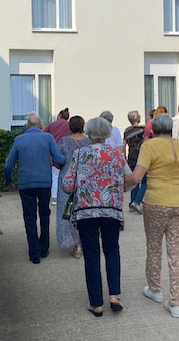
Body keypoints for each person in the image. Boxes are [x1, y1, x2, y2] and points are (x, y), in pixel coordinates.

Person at [62, 117, 135, 316]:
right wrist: (118, 189)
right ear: (107, 134)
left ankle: (96, 304)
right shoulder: (116, 154)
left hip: (86, 212)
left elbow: (67, 185)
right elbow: (130, 178)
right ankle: (114, 296)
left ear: (88, 133)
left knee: (91, 255)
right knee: (112, 250)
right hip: (111, 210)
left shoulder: (80, 154)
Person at [132, 113, 179, 319]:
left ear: (152, 130)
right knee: (177, 253)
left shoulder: (148, 146)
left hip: (156, 202)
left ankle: (155, 289)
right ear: (171, 129)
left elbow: (137, 176)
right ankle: (175, 302)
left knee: (154, 246)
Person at [5, 113, 65, 264]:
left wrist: (9, 182)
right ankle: (44, 248)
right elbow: (59, 159)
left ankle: (34, 253)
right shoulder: (48, 138)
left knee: (29, 217)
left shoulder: (19, 140)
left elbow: (8, 165)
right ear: (41, 126)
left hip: (26, 184)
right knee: (44, 214)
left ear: (27, 125)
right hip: (44, 183)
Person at [56, 115, 91, 259]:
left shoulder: (64, 141)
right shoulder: (89, 141)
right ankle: (83, 242)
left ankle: (75, 244)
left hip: (67, 180)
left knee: (67, 211)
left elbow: (58, 161)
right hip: (85, 180)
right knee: (84, 211)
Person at [44, 108, 72, 204]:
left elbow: (43, 132)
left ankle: (54, 197)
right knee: (66, 173)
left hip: (54, 151)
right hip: (67, 152)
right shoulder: (69, 125)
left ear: (59, 115)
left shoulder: (53, 124)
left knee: (55, 175)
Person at [123, 110, 146, 213]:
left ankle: (132, 202)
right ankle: (137, 201)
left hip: (131, 156)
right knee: (145, 181)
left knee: (134, 180)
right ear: (138, 119)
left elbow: (124, 145)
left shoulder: (127, 131)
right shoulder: (143, 130)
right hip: (141, 157)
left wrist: (124, 157)